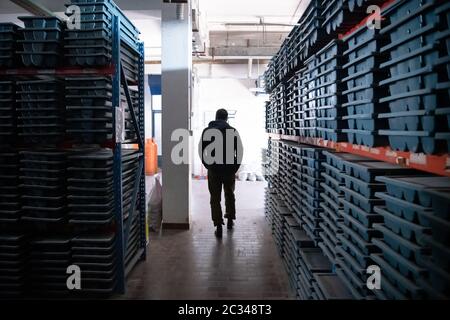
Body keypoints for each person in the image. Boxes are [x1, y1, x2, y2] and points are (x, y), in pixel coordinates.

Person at [199, 109, 243, 238]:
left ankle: (218, 225)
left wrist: (208, 165)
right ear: (226, 119)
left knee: (215, 198)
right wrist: (235, 168)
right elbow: (239, 151)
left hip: (214, 170)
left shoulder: (208, 131)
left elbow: (201, 151)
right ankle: (230, 219)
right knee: (229, 194)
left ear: (216, 117)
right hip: (229, 170)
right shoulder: (232, 131)